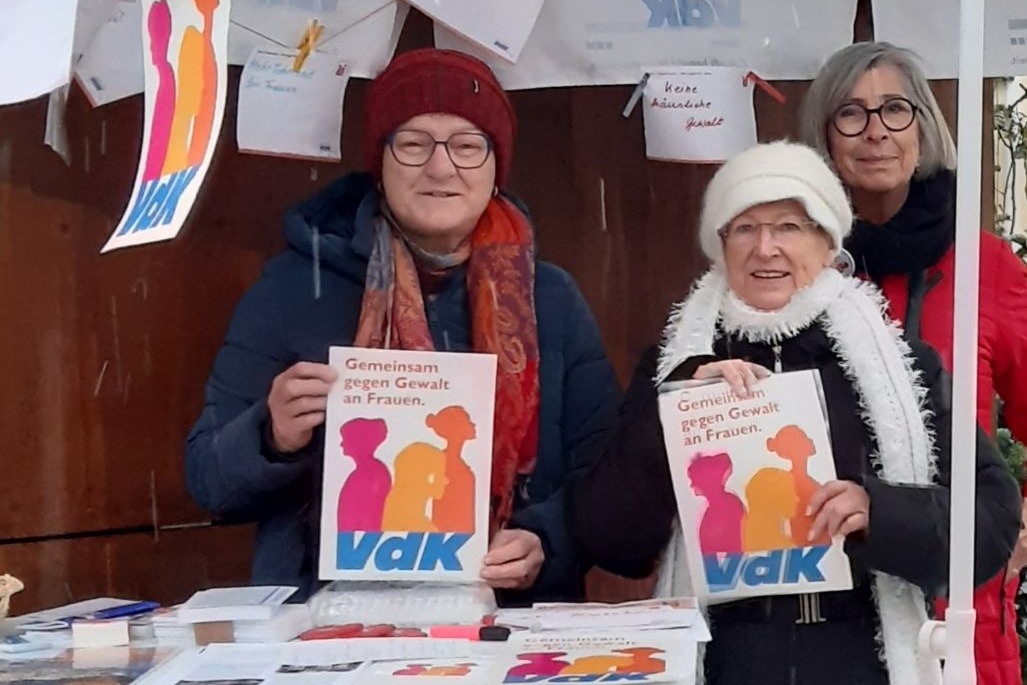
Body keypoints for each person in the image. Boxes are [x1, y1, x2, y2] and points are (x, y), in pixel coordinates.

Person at [569, 141, 1021, 685]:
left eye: (788, 227)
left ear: (828, 244)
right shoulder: (679, 365)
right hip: (726, 662)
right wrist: (671, 413)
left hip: (864, 663)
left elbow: (991, 520)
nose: (766, 249)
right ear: (720, 248)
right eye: (744, 229)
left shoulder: (900, 364)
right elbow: (610, 540)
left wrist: (879, 512)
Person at [185, 48, 620, 605]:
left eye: (467, 145)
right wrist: (272, 436)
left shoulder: (549, 298)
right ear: (381, 161)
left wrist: (547, 541)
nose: (441, 168)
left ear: (496, 166)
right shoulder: (293, 290)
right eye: (413, 144)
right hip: (333, 624)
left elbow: (603, 478)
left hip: (509, 625)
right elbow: (208, 480)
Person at [800, 41, 1027, 685]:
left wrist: (1019, 523)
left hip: (958, 597)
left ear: (923, 125)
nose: (876, 132)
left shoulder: (985, 268)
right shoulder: (800, 273)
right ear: (824, 137)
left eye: (895, 109)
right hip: (832, 601)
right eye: (851, 113)